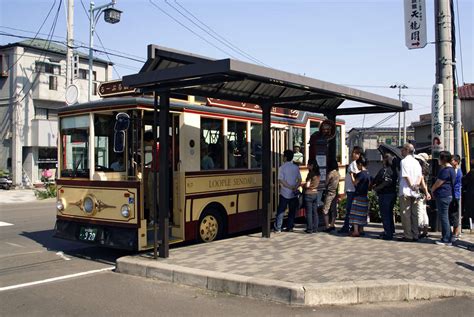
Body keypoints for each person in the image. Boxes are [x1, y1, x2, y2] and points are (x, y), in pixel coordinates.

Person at [398, 143, 423, 242]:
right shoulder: (416, 162)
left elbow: (406, 175)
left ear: (407, 150)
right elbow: (420, 176)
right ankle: (415, 234)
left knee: (406, 214)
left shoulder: (403, 161)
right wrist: (416, 186)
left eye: (403, 149)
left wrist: (411, 186)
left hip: (405, 190)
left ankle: (408, 235)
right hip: (415, 192)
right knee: (414, 214)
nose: (401, 151)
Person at [431, 151, 456, 246]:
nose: (438, 160)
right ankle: (448, 236)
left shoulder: (445, 170)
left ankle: (446, 239)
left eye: (439, 158)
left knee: (444, 217)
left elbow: (439, 182)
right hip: (448, 195)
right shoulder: (452, 169)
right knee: (445, 217)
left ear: (443, 159)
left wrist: (432, 189)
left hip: (443, 195)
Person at [273, 150, 302, 232]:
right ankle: (290, 227)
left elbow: (281, 180)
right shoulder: (296, 167)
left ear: (285, 157)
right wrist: (295, 187)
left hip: (284, 193)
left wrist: (289, 187)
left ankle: (278, 227)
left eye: (283, 156)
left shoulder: (282, 168)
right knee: (292, 211)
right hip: (293, 193)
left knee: (281, 211)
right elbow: (300, 180)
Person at [372, 153, 398, 240]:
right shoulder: (394, 170)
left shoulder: (385, 170)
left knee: (385, 214)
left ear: (385, 160)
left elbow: (381, 180)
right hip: (393, 193)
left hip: (385, 194)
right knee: (389, 213)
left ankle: (388, 233)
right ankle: (391, 230)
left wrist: (376, 188)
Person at [338, 146, 363, 233]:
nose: (353, 154)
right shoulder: (360, 165)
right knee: (355, 210)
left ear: (359, 155)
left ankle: (347, 226)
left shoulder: (353, 164)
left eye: (356, 153)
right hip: (355, 190)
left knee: (349, 210)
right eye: (353, 152)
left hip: (351, 190)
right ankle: (354, 227)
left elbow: (355, 177)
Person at [349, 155, 370, 237]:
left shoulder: (360, 174)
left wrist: (351, 175)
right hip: (365, 195)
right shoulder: (368, 173)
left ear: (360, 164)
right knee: (362, 214)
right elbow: (370, 184)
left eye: (358, 165)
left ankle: (356, 231)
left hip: (358, 196)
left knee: (355, 214)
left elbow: (355, 183)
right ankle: (361, 229)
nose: (357, 167)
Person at [414, 153, 432, 239]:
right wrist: (427, 193)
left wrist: (426, 192)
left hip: (420, 193)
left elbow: (423, 184)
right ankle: (425, 231)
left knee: (419, 212)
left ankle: (419, 231)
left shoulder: (420, 170)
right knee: (424, 212)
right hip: (424, 193)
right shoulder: (427, 169)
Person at [322, 159, 340, 232]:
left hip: (329, 193)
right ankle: (332, 224)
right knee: (333, 209)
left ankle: (327, 226)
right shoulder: (338, 173)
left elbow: (326, 183)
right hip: (335, 193)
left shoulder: (330, 174)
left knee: (325, 209)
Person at [303, 159, 320, 233]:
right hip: (315, 193)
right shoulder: (318, 174)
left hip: (309, 194)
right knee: (315, 212)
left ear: (311, 165)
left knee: (309, 212)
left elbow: (307, 185)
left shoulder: (311, 174)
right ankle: (315, 228)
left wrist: (303, 185)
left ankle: (309, 229)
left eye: (308, 164)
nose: (307, 166)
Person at [450, 155, 462, 241]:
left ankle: (455, 233)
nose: (451, 162)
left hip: (455, 195)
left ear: (457, 162)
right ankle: (454, 233)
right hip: (453, 194)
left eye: (452, 160)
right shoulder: (453, 170)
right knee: (451, 214)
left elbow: (456, 184)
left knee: (454, 214)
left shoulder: (458, 171)